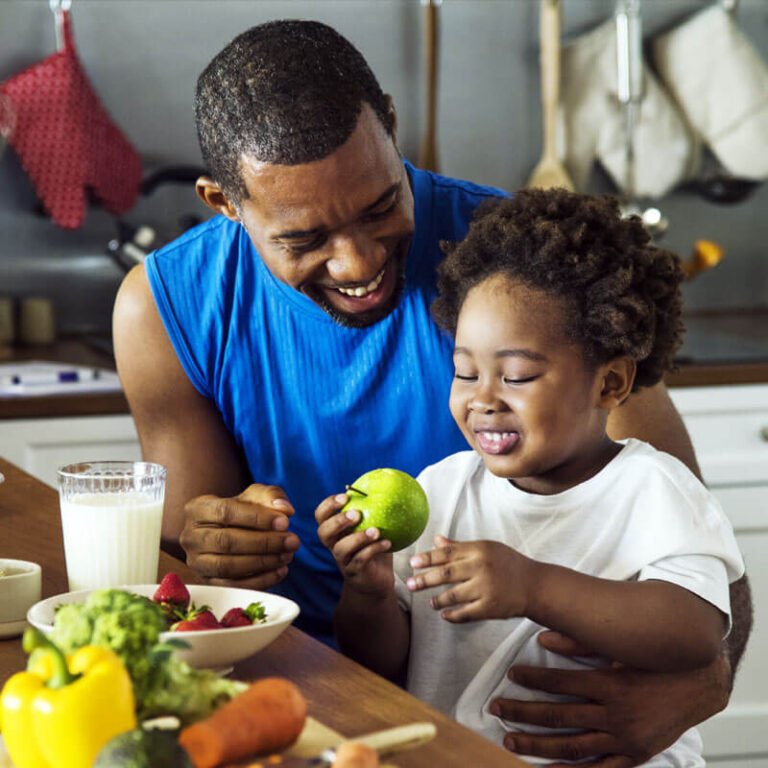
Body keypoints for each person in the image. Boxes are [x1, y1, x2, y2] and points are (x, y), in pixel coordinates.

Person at [112, 19, 753, 764]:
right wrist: (216, 544)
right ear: (223, 202)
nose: (356, 262)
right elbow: (195, 589)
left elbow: (698, 557)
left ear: (390, 121)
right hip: (298, 698)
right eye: (304, 239)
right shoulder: (165, 308)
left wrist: (701, 688)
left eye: (381, 205)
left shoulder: (526, 273)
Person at [315, 189, 745, 765]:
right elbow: (387, 664)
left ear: (610, 384)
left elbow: (694, 633)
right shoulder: (442, 489)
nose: (482, 400)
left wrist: (534, 587)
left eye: (516, 376)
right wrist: (365, 594)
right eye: (465, 372)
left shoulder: (651, 490)